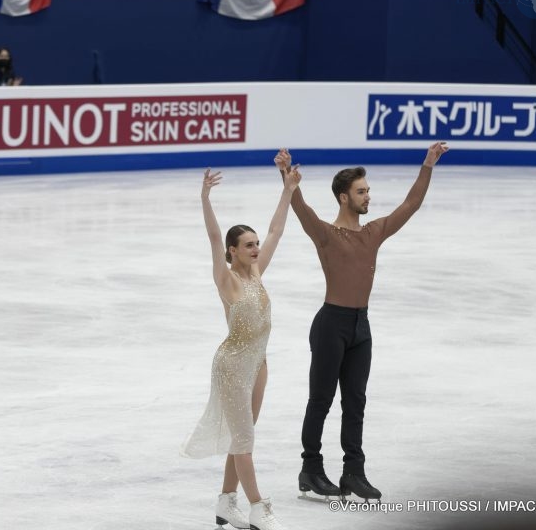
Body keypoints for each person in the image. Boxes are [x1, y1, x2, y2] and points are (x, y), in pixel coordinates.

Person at [276, 142, 449, 503]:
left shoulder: (373, 233)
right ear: (344, 198)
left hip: (360, 328)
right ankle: (310, 468)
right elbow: (301, 208)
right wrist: (287, 177)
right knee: (321, 400)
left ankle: (353, 471)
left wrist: (428, 165)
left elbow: (410, 205)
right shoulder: (325, 234)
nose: (368, 196)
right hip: (331, 325)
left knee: (355, 402)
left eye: (368, 190)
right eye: (361, 191)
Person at [182, 158, 301, 530]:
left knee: (242, 436)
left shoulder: (256, 271)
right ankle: (258, 508)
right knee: (244, 441)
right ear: (233, 251)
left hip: (258, 363)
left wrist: (287, 190)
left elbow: (276, 230)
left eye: (255, 244)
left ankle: (225, 502)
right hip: (232, 365)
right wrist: (205, 199)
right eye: (247, 245)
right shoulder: (227, 280)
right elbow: (214, 238)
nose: (255, 248)